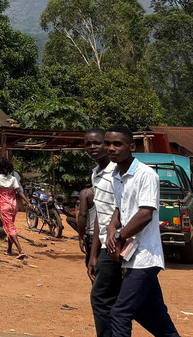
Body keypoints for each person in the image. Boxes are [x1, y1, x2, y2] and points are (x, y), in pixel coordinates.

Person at [104, 126, 181, 337]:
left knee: (120, 313)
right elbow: (121, 209)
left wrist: (120, 236)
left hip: (145, 257)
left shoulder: (145, 174)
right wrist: (112, 227)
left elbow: (145, 214)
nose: (111, 148)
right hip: (131, 256)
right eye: (108, 144)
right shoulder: (117, 175)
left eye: (117, 144)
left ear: (132, 146)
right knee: (153, 313)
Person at [86, 128, 122, 337]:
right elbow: (100, 212)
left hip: (118, 243)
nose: (93, 147)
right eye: (88, 144)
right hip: (103, 245)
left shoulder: (117, 173)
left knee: (100, 299)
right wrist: (93, 253)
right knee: (134, 303)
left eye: (97, 143)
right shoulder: (96, 173)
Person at [0, 157, 29, 259]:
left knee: (10, 227)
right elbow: (19, 191)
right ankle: (9, 250)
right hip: (13, 206)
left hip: (4, 206)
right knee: (9, 226)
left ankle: (20, 250)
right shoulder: (13, 179)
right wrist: (28, 203)